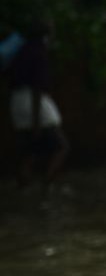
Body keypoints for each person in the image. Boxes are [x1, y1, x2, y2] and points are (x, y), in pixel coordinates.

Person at [7, 21, 69, 189]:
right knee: (61, 146)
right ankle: (46, 185)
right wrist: (36, 122)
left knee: (29, 149)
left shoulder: (21, 50)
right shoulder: (38, 53)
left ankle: (23, 187)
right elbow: (36, 89)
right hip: (32, 103)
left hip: (16, 103)